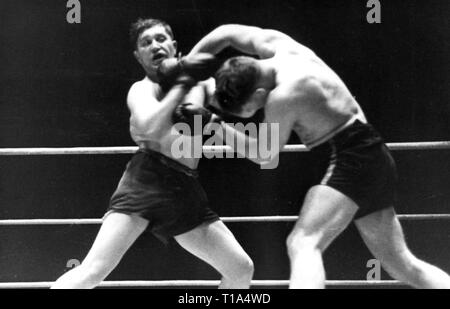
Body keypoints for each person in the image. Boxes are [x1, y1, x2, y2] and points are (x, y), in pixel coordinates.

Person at [187, 24, 450, 289]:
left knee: (303, 242)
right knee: (403, 265)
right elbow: (226, 32)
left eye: (253, 108)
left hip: (354, 158)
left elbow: (264, 154)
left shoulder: (285, 95)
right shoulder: (281, 47)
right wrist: (187, 67)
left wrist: (213, 124)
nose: (257, 112)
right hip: (369, 155)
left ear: (259, 94)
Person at [51, 19, 254, 289]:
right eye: (146, 43)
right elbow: (149, 127)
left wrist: (222, 109)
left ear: (174, 46)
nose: (154, 45)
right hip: (146, 181)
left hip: (185, 188)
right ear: (138, 56)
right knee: (94, 270)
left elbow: (240, 107)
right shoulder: (141, 89)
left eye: (160, 39)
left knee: (241, 269)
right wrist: (181, 85)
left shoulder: (202, 85)